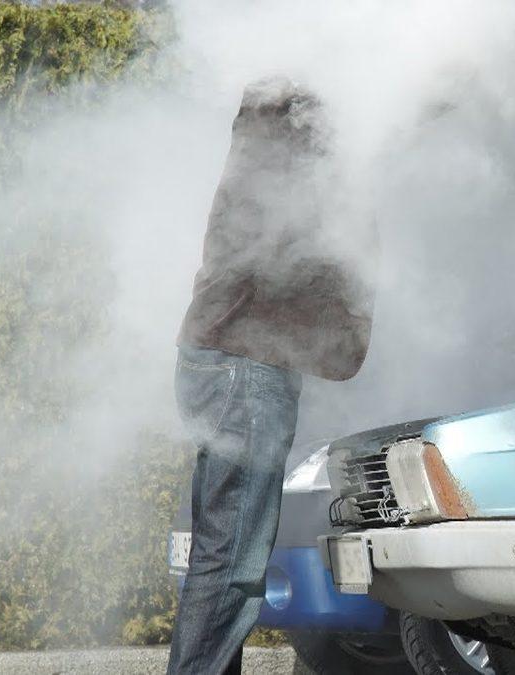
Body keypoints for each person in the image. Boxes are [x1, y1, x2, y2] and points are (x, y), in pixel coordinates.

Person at [166, 77, 373, 675]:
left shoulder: (262, 133)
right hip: (245, 371)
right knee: (231, 562)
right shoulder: (289, 125)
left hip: (222, 360)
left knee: (218, 556)